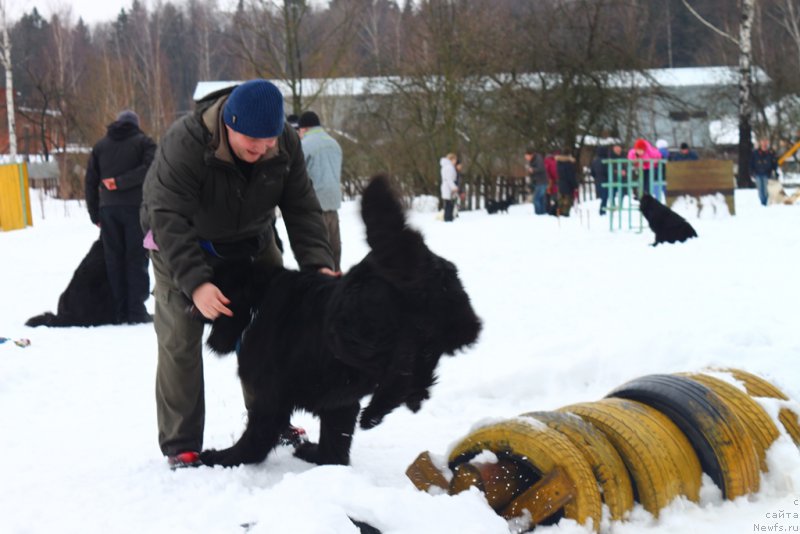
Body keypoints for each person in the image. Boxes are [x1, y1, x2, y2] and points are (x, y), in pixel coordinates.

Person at [140, 79, 336, 469]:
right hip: (184, 245)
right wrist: (196, 283)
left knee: (275, 334)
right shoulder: (187, 143)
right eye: (253, 143)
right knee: (180, 338)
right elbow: (167, 216)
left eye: (270, 142)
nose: (264, 149)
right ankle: (181, 442)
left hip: (253, 244)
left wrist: (318, 265)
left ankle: (271, 422)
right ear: (229, 124)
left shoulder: (284, 143)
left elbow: (301, 207)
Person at [85, 110, 157, 325]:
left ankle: (119, 312)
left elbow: (90, 182)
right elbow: (152, 169)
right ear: (136, 124)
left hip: (108, 211)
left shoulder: (100, 146)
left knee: (113, 261)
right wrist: (122, 181)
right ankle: (136, 312)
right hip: (136, 209)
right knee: (137, 259)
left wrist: (94, 213)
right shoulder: (144, 143)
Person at [298, 110, 344, 272]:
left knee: (319, 250)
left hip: (314, 205)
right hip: (333, 202)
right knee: (334, 247)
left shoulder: (305, 145)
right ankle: (337, 277)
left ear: (303, 129)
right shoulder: (334, 143)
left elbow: (297, 174)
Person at [750, 138, 778, 206]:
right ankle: (763, 203)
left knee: (766, 190)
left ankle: (765, 202)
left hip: (767, 174)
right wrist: (752, 172)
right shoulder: (755, 153)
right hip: (757, 173)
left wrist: (774, 171)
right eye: (763, 142)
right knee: (760, 190)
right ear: (761, 143)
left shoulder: (770, 153)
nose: (764, 144)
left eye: (766, 142)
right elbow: (751, 163)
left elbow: (774, 163)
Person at [555, 149, 578, 217]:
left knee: (561, 201)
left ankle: (560, 214)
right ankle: (565, 215)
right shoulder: (569, 164)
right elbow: (571, 177)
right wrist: (575, 185)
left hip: (560, 184)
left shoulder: (558, 163)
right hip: (568, 185)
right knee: (567, 201)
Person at [525, 147, 547, 215]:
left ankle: (539, 213)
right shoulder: (534, 160)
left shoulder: (538, 159)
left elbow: (541, 168)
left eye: (526, 156)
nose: (526, 158)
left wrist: (532, 170)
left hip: (541, 182)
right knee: (541, 198)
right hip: (538, 182)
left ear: (530, 155)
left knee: (536, 199)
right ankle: (542, 212)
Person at [589, 146, 609, 215]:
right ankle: (602, 211)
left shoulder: (595, 161)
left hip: (598, 180)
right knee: (605, 196)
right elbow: (608, 171)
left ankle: (603, 210)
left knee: (603, 196)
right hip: (606, 180)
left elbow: (592, 172)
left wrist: (596, 177)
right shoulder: (606, 160)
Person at [440, 153, 459, 222]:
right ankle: (448, 218)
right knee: (449, 204)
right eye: (455, 160)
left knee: (448, 203)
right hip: (448, 187)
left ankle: (448, 217)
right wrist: (454, 187)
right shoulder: (449, 167)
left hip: (446, 186)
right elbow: (449, 179)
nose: (456, 161)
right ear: (451, 159)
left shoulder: (445, 166)